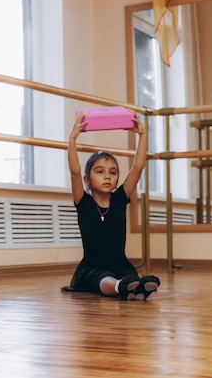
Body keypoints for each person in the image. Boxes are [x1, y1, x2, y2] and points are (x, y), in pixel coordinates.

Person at [64, 111, 161, 301]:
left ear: (117, 180)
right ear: (87, 180)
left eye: (113, 172)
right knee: (102, 279)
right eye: (100, 172)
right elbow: (74, 171)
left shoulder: (119, 199)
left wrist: (142, 135)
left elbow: (138, 167)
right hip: (92, 266)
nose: (107, 176)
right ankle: (121, 287)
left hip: (119, 263)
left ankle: (134, 287)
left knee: (129, 275)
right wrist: (73, 138)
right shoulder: (83, 202)